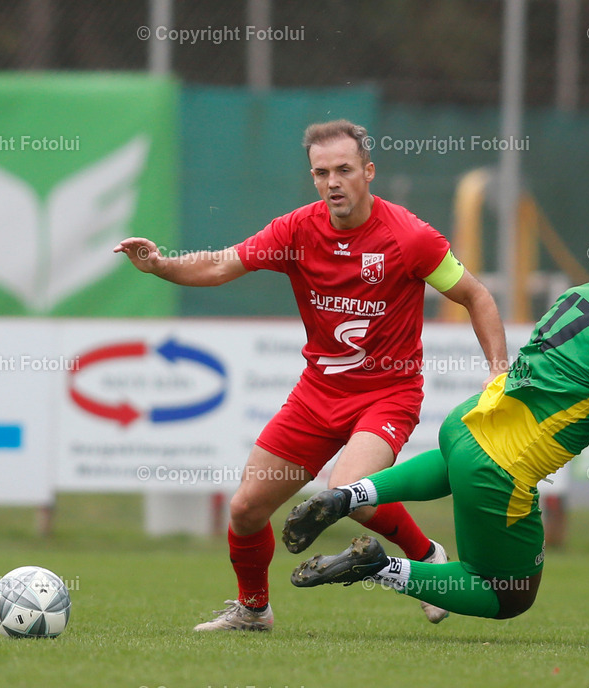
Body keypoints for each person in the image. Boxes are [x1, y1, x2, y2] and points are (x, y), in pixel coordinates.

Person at [114, 120, 508, 631]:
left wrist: (498, 371)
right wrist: (159, 266)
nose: (333, 182)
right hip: (318, 395)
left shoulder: (409, 237)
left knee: (348, 492)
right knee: (247, 509)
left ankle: (427, 556)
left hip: (387, 395)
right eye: (321, 173)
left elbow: (476, 295)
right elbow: (220, 265)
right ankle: (253, 611)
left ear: (368, 172)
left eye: (344, 170)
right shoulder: (297, 230)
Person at [281, 210, 589, 620]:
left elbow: (568, 399)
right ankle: (380, 566)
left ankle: (349, 495)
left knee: (459, 466)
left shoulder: (581, 297)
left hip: (467, 425)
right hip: (500, 471)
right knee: (508, 595)